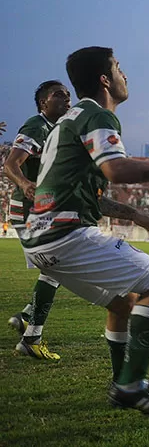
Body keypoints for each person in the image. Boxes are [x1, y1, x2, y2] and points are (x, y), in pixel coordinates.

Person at [19, 46, 149, 416]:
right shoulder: (97, 115)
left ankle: (122, 381)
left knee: (122, 302)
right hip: (66, 236)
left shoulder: (69, 120)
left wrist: (134, 213)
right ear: (104, 80)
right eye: (119, 69)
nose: (125, 75)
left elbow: (88, 190)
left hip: (39, 240)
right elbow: (117, 170)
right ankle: (131, 385)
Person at [5, 80, 73, 360]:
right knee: (58, 267)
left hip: (42, 211)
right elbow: (11, 164)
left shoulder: (57, 129)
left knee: (58, 267)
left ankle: (26, 319)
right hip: (29, 211)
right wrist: (24, 184)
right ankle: (31, 336)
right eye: (59, 95)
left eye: (68, 94)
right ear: (44, 102)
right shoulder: (37, 125)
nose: (67, 99)